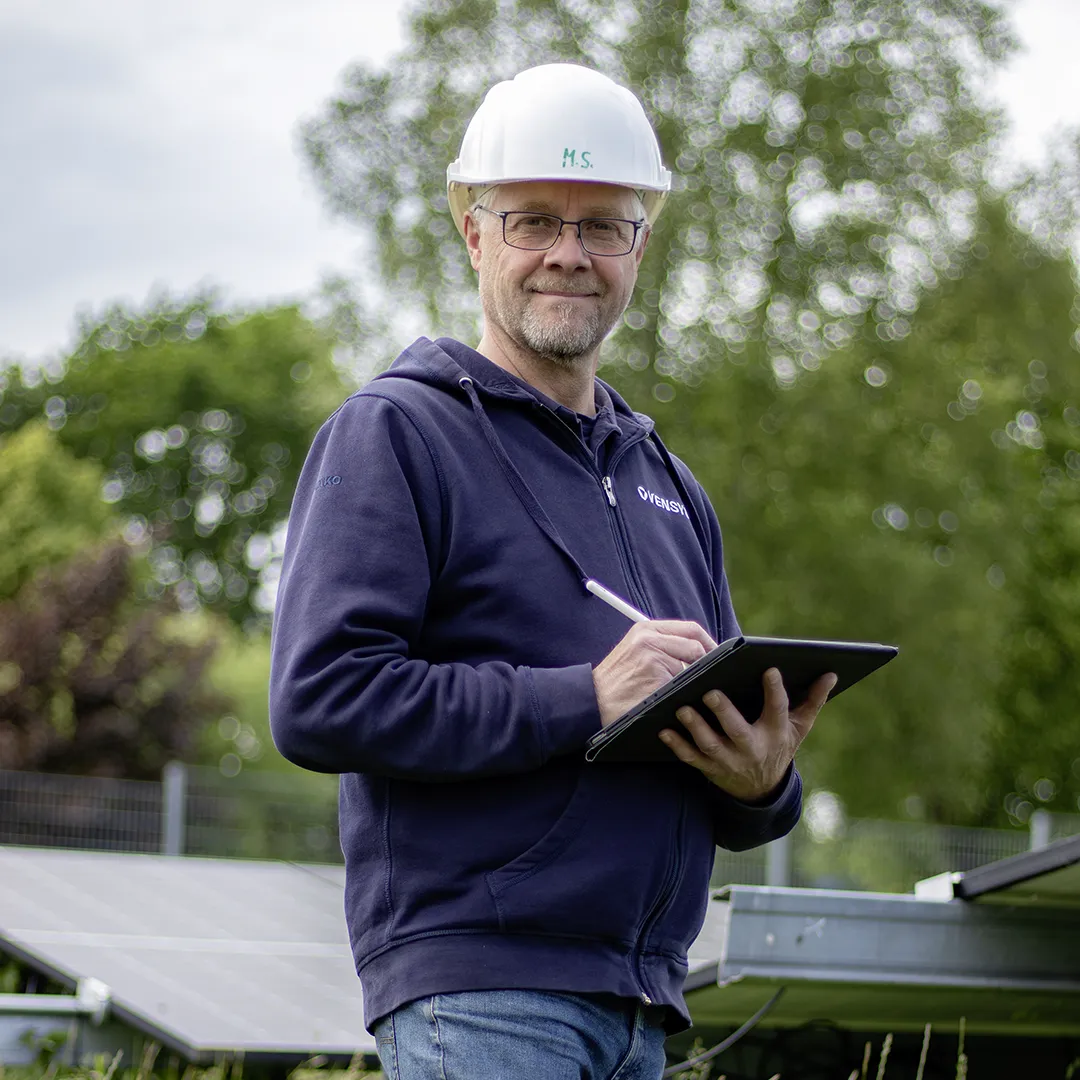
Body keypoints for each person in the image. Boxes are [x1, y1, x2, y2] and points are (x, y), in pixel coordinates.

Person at [269, 63, 835, 1080]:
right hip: (482, 997)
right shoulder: (396, 434)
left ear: (640, 247)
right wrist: (584, 696)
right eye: (534, 220)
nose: (568, 255)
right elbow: (322, 697)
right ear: (474, 233)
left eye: (602, 226)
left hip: (644, 1005)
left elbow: (717, 751)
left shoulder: (668, 483)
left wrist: (765, 786)